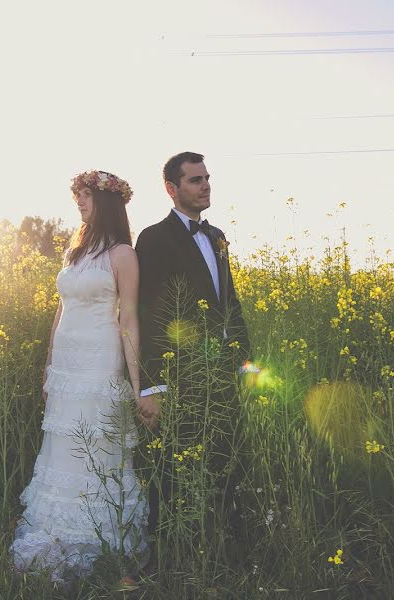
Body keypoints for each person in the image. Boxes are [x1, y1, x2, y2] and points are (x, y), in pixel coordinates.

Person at [10, 170, 148, 582]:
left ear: (105, 203)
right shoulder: (75, 253)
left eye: (85, 197)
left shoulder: (123, 254)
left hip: (100, 363)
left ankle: (98, 542)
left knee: (95, 444)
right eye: (78, 197)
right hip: (67, 367)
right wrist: (50, 363)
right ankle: (56, 534)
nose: (79, 204)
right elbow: (61, 310)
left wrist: (138, 384)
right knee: (63, 444)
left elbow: (129, 318)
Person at [134, 151, 251, 536]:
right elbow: (148, 313)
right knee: (171, 465)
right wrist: (152, 385)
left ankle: (221, 541)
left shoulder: (217, 237)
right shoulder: (153, 238)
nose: (205, 186)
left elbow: (229, 303)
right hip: (180, 370)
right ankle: (167, 548)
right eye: (195, 180)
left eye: (207, 178)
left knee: (224, 457)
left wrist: (246, 364)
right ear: (172, 188)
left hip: (221, 367)